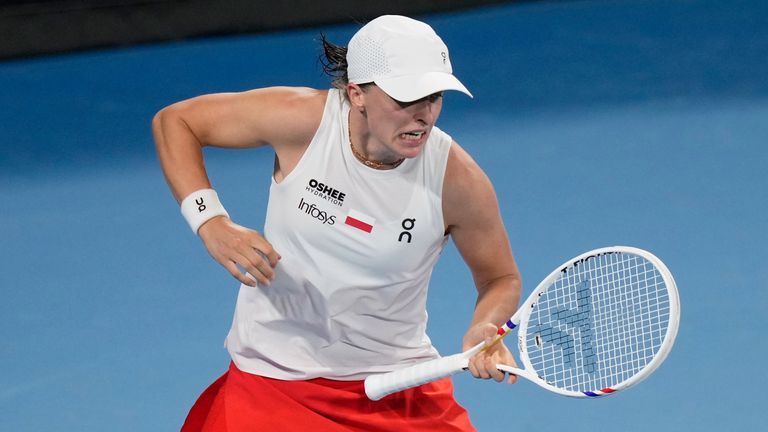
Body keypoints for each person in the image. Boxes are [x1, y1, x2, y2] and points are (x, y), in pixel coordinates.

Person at [153, 15, 521, 432]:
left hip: (396, 384)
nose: (422, 116)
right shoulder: (303, 122)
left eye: (433, 97)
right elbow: (176, 122)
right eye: (404, 100)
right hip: (276, 381)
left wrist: (485, 326)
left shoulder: (457, 180)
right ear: (357, 93)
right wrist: (211, 222)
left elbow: (500, 277)